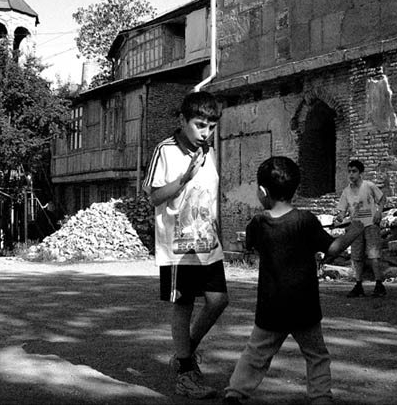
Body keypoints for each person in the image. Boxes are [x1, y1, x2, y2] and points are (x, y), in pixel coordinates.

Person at [223, 156, 364, 405]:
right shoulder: (305, 220)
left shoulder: (257, 224)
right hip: (304, 306)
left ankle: (235, 392)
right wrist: (356, 227)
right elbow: (332, 248)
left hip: (270, 306)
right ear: (295, 190)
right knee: (317, 356)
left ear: (263, 191)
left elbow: (253, 246)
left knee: (255, 354)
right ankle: (321, 398)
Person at [143, 91, 228, 400]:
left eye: (211, 126)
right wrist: (183, 178)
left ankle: (183, 355)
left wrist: (218, 226)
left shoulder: (211, 151)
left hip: (207, 241)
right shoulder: (165, 151)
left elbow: (211, 193)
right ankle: (185, 373)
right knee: (184, 305)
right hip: (178, 245)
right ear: (183, 120)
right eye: (199, 125)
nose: (205, 132)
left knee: (218, 301)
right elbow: (153, 197)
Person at [335, 159, 387, 298]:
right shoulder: (346, 191)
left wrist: (379, 212)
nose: (351, 174)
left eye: (354, 171)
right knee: (356, 256)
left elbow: (382, 199)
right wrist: (339, 217)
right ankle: (358, 285)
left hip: (370, 224)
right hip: (356, 227)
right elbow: (342, 210)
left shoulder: (369, 186)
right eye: (349, 172)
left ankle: (379, 284)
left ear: (360, 173)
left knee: (373, 255)